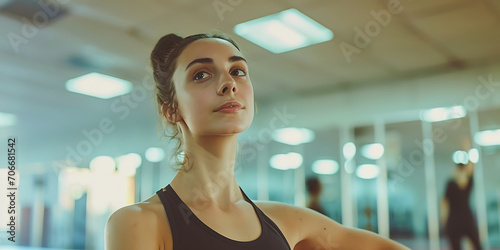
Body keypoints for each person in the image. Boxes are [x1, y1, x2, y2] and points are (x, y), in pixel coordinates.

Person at [105, 32, 410, 250]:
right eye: (201, 75)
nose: (228, 84)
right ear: (171, 109)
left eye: (237, 71)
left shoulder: (285, 222)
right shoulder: (140, 224)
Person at [441, 162, 482, 250]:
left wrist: (466, 149)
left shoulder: (470, 182)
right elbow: (444, 202)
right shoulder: (451, 183)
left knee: (477, 244)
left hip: (467, 219)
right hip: (454, 220)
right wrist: (444, 219)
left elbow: (471, 168)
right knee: (456, 247)